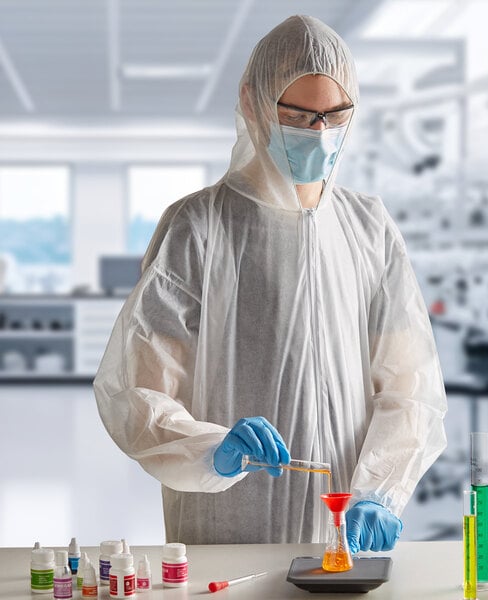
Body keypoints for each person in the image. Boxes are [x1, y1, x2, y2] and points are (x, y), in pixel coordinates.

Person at [94, 14, 447, 552]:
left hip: (342, 532)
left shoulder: (369, 230)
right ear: (254, 103)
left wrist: (383, 490)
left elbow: (409, 388)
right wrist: (209, 448)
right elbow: (137, 393)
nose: (318, 133)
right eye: (298, 115)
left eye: (334, 115)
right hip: (225, 528)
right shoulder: (200, 227)